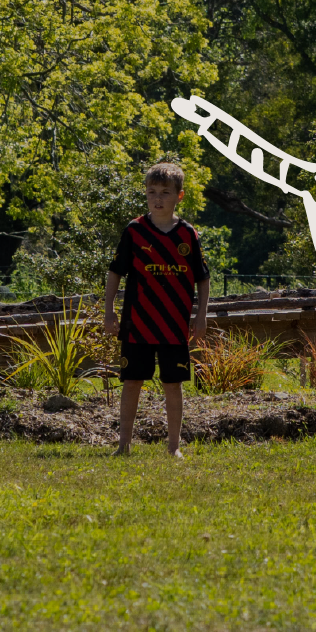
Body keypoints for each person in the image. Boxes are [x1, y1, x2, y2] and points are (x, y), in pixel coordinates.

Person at [104, 161, 210, 459]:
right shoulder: (135, 231)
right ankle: (123, 445)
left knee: (172, 384)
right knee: (132, 381)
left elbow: (203, 278)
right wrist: (109, 311)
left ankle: (174, 447)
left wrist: (200, 317)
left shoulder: (188, 235)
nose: (158, 198)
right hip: (137, 324)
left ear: (180, 196)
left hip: (174, 325)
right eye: (152, 192)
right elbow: (115, 272)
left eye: (165, 192)